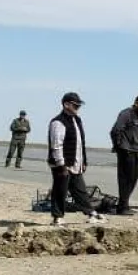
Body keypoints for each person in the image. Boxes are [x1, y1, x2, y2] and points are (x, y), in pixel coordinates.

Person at [48, 92, 105, 226]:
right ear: (66, 104)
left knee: (80, 190)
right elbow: (56, 145)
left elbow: (80, 143)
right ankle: (57, 217)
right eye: (75, 105)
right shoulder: (58, 122)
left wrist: (83, 161)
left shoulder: (77, 120)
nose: (77, 108)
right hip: (62, 165)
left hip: (76, 164)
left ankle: (91, 213)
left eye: (78, 106)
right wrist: (61, 165)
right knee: (60, 190)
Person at [109, 95, 138, 215]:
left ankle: (124, 204)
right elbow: (115, 131)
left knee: (133, 180)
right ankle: (122, 208)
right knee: (125, 180)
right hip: (127, 151)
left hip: (136, 152)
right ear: (136, 103)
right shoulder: (127, 114)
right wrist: (120, 147)